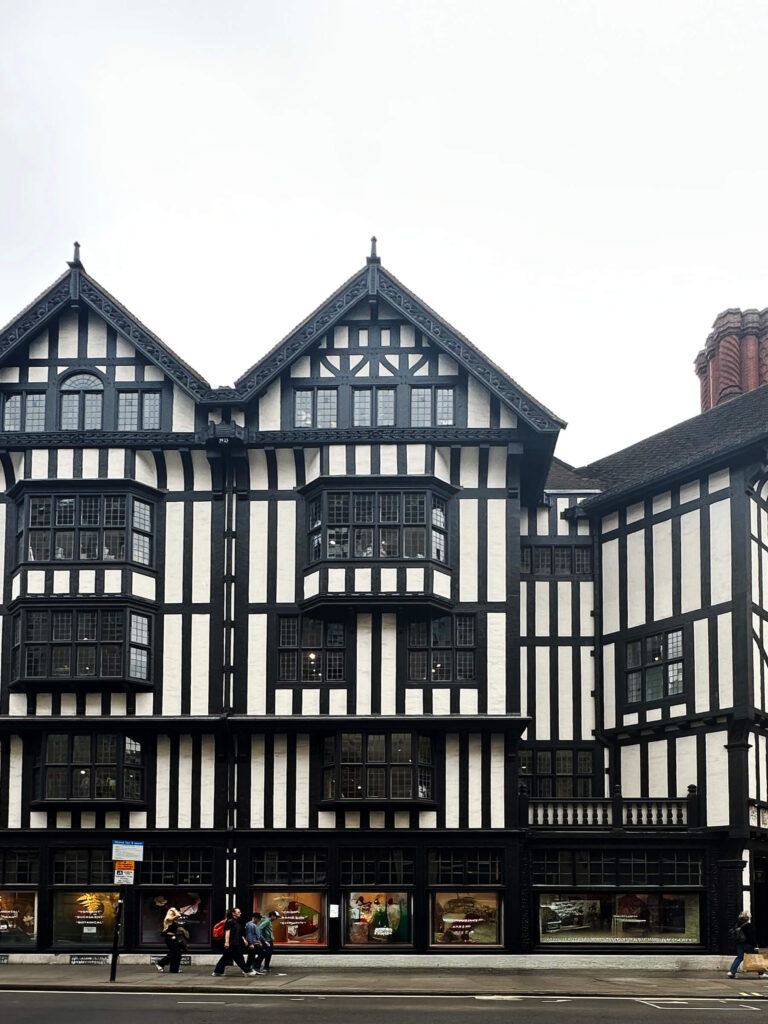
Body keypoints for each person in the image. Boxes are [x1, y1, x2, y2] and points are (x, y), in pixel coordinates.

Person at [212, 907, 256, 977]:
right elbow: (227, 932)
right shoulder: (229, 921)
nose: (240, 913)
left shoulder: (236, 921)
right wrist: (226, 942)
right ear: (233, 913)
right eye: (238, 912)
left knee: (225, 958)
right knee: (239, 957)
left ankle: (218, 971)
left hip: (236, 942)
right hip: (232, 943)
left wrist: (244, 939)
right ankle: (247, 971)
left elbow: (239, 932)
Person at [727, 910, 768, 978]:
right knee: (757, 957)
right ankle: (761, 973)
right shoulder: (748, 925)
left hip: (740, 944)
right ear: (748, 917)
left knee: (739, 957)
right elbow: (752, 937)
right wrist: (755, 946)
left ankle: (732, 972)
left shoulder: (738, 924)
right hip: (748, 944)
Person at [155, 907, 183, 974]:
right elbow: (178, 915)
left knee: (177, 954)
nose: (175, 912)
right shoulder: (168, 919)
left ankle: (174, 969)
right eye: (173, 912)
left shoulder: (174, 921)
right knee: (175, 952)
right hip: (169, 938)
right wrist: (173, 909)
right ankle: (160, 963)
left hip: (173, 937)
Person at [253, 910, 280, 974]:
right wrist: (262, 939)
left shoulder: (267, 921)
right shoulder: (267, 921)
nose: (276, 919)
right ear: (272, 916)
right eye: (276, 917)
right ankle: (258, 966)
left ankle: (265, 967)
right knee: (265, 954)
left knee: (267, 954)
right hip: (267, 940)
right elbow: (259, 928)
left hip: (268, 940)